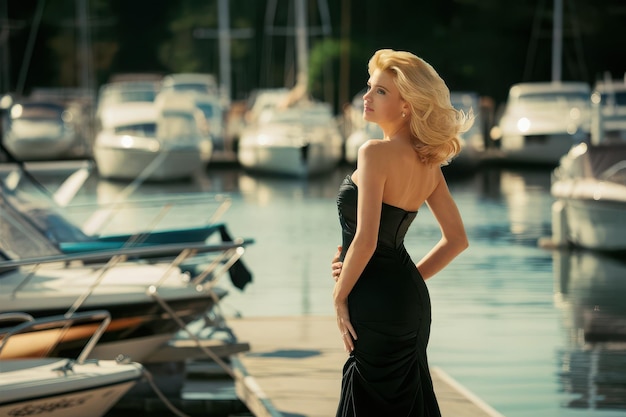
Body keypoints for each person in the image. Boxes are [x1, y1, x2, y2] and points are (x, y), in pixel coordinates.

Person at [331, 49, 472, 416]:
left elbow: (366, 239)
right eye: (369, 87)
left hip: (374, 303)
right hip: (409, 303)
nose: (366, 97)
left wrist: (340, 294)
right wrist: (404, 277)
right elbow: (457, 240)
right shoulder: (428, 162)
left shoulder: (374, 152)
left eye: (380, 91)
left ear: (406, 104)